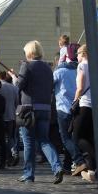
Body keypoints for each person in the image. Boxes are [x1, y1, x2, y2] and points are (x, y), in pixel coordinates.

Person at [10, 40, 62, 184]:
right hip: (45, 109)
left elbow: (19, 86)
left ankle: (28, 174)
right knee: (44, 140)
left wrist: (15, 78)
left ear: (30, 52)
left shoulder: (26, 65)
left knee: (28, 143)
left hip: (28, 110)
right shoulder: (47, 68)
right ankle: (57, 166)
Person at [53, 57, 84, 173]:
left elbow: (49, 85)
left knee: (65, 138)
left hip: (63, 108)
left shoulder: (59, 72)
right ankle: (67, 165)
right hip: (77, 107)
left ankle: (79, 161)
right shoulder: (78, 70)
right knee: (72, 138)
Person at [70, 44, 95, 179]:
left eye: (78, 54)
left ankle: (95, 161)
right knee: (89, 137)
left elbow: (80, 87)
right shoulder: (97, 66)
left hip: (84, 104)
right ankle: (92, 170)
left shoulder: (82, 65)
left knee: (77, 137)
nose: (77, 57)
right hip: (95, 106)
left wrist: (74, 100)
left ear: (83, 54)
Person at [0, 70, 19, 166]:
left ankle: (5, 157)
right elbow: (17, 102)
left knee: (2, 138)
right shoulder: (13, 88)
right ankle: (11, 155)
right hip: (11, 115)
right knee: (10, 137)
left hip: (1, 116)